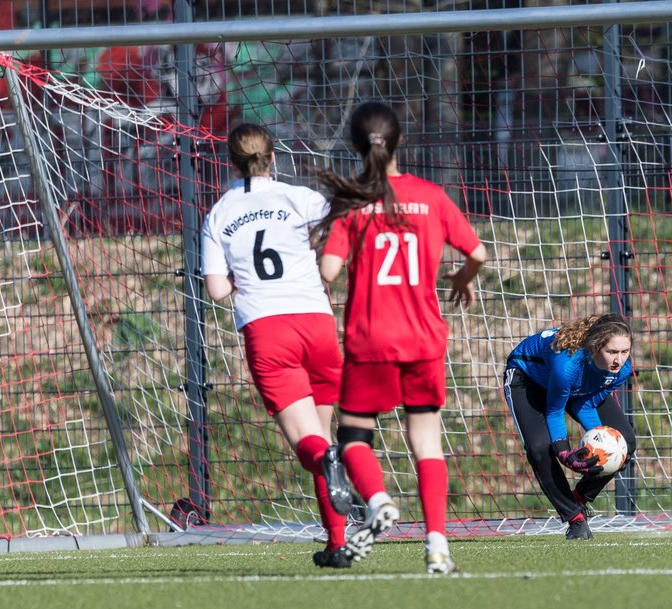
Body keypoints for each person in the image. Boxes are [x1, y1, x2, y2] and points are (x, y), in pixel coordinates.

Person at [315, 101, 487, 575]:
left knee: (352, 437)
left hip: (370, 340)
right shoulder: (431, 196)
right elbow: (479, 252)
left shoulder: (353, 204)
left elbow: (328, 271)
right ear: (400, 142)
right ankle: (437, 547)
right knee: (426, 442)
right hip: (424, 339)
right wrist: (460, 276)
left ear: (355, 145)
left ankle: (376, 501)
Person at [200, 122, 353, 568]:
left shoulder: (221, 213)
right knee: (322, 436)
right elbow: (341, 222)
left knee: (313, 448)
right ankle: (337, 544)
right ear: (273, 158)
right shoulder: (301, 198)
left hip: (270, 333)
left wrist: (234, 276)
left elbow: (215, 290)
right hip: (318, 326)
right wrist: (324, 263)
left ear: (231, 162)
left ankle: (329, 466)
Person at [503, 314, 636, 540]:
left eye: (625, 352)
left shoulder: (621, 370)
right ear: (595, 347)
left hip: (576, 387)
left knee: (625, 444)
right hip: (528, 379)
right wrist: (564, 452)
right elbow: (555, 411)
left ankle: (578, 500)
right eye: (612, 352)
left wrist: (604, 442)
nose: (619, 359)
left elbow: (586, 402)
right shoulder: (568, 365)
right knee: (539, 448)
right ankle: (574, 519)